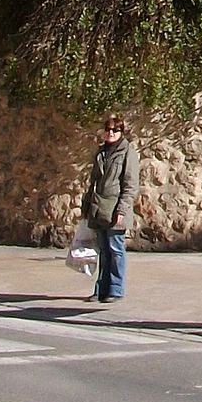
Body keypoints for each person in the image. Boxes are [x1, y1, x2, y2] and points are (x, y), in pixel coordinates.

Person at [81, 114, 139, 302]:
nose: (111, 133)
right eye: (108, 129)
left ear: (122, 132)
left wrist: (122, 210)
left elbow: (130, 185)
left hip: (115, 208)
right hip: (99, 207)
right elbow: (93, 181)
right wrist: (86, 205)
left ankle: (115, 288)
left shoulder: (128, 153)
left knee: (116, 249)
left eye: (115, 130)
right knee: (103, 250)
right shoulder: (101, 153)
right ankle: (101, 289)